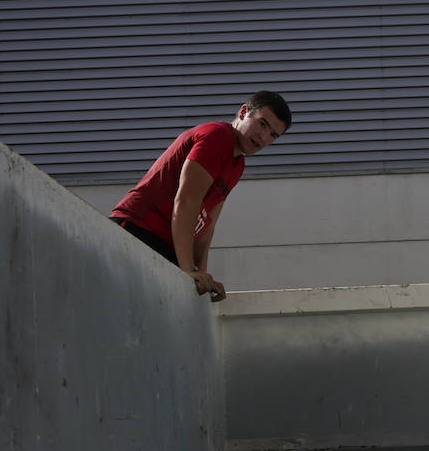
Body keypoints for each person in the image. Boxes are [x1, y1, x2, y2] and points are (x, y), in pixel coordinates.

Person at [110, 91, 292, 301]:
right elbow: (187, 201)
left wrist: (202, 276)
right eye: (262, 124)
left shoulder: (237, 164)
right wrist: (188, 269)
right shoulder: (218, 136)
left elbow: (206, 226)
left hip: (167, 244)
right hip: (138, 230)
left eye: (273, 135)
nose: (264, 136)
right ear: (244, 112)